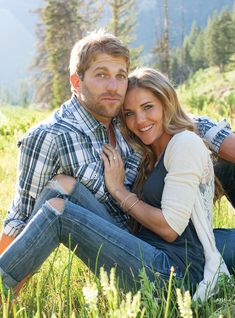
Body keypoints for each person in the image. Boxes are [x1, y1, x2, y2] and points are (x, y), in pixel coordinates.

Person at [0, 30, 235, 269]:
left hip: (167, 238)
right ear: (76, 82)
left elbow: (177, 119)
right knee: (62, 187)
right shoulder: (51, 136)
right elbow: (20, 218)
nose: (113, 87)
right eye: (101, 75)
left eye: (120, 76)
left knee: (223, 160)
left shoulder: (124, 119)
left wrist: (215, 137)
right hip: (129, 248)